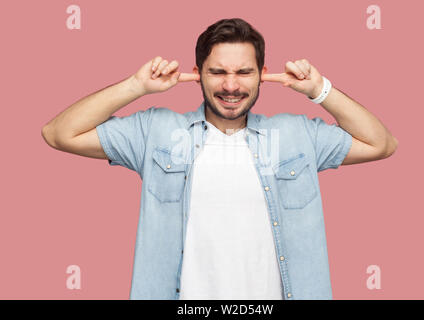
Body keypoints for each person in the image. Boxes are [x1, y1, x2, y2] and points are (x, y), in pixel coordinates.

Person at [41, 18, 398, 300]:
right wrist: (135, 86)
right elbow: (58, 133)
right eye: (217, 72)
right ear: (197, 75)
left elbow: (381, 144)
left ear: (262, 75)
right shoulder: (156, 132)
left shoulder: (296, 135)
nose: (231, 85)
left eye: (244, 72)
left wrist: (321, 91)